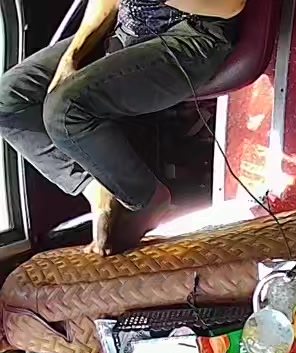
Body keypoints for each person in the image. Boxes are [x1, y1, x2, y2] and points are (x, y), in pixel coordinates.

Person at [0, 0, 245, 256]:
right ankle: (98, 189)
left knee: (65, 111)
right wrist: (71, 58)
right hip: (127, 28)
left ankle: (146, 200)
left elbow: (230, 6)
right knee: (10, 100)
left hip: (195, 34)